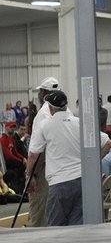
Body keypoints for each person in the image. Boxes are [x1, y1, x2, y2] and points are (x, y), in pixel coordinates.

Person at [26, 90, 111, 226]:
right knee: (78, 228)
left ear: (49, 107)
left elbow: (33, 155)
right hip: (81, 181)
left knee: (57, 229)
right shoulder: (79, 123)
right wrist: (92, 163)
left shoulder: (45, 125)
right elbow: (108, 143)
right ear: (66, 105)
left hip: (59, 183)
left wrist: (30, 175)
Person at [26, 76, 60, 227]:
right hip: (57, 167)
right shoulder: (65, 110)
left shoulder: (44, 113)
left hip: (43, 168)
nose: (38, 95)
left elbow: (39, 149)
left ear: (45, 92)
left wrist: (31, 174)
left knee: (38, 209)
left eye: (40, 91)